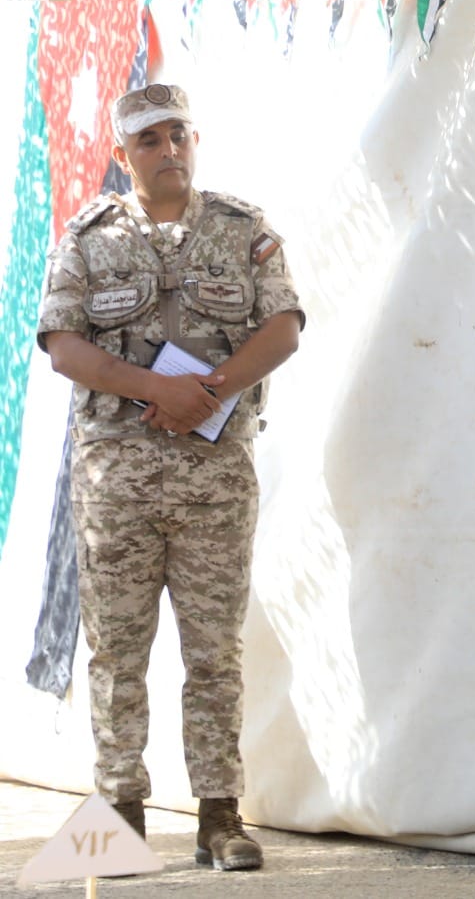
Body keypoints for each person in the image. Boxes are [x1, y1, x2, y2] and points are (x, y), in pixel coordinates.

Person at [36, 83, 303, 871]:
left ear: (197, 140)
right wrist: (159, 390)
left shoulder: (243, 229)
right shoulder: (88, 238)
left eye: (179, 135)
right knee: (116, 653)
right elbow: (62, 345)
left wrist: (209, 394)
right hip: (113, 483)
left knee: (214, 651)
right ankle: (118, 817)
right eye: (149, 141)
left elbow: (283, 327)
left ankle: (221, 817)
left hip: (214, 481)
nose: (169, 151)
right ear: (124, 157)